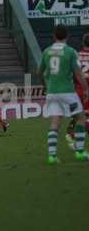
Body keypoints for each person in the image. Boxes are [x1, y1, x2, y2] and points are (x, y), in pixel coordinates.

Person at [39, 25, 89, 165]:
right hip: (67, 91)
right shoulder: (70, 51)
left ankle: (52, 156)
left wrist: (45, 85)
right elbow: (78, 73)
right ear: (67, 36)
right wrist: (85, 90)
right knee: (80, 118)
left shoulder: (47, 51)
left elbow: (40, 72)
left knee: (55, 121)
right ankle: (79, 151)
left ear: (54, 36)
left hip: (52, 92)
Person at [65, 33, 89, 149]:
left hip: (77, 89)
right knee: (85, 117)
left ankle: (71, 133)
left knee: (80, 116)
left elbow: (73, 74)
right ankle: (74, 137)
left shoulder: (77, 55)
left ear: (83, 43)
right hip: (86, 89)